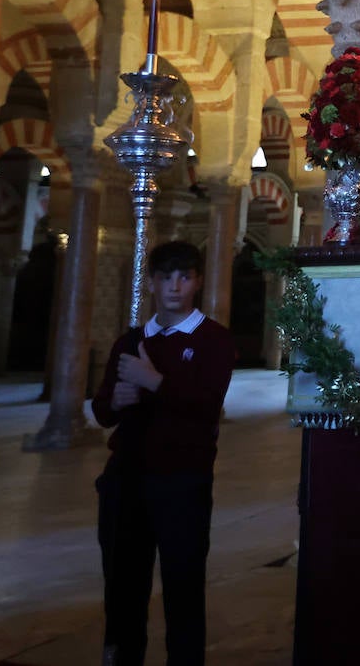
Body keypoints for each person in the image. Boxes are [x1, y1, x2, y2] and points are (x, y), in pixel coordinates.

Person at [92, 241, 237, 666]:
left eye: (185, 276)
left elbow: (207, 406)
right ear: (152, 283)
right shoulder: (130, 341)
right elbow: (102, 411)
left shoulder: (214, 340)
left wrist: (153, 381)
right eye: (166, 277)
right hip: (126, 481)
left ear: (196, 282)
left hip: (182, 481)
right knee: (122, 588)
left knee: (183, 586)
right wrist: (117, 400)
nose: (175, 286)